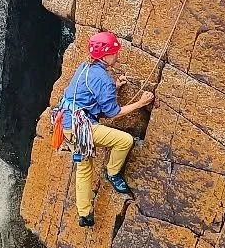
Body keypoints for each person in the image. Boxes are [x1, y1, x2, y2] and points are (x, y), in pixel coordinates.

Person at [55, 31, 154, 227]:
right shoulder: (102, 79)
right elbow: (112, 113)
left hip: (67, 123)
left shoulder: (85, 67)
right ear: (105, 55)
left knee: (84, 167)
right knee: (124, 141)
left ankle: (84, 213)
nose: (117, 55)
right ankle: (112, 172)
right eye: (115, 52)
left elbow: (92, 97)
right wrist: (141, 103)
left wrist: (114, 88)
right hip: (82, 128)